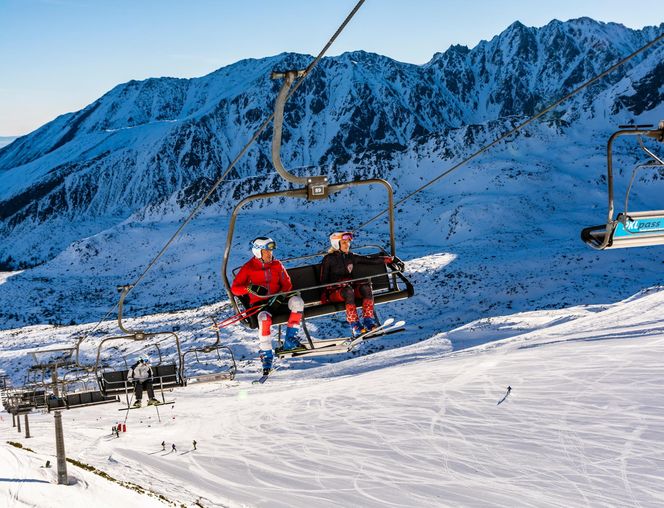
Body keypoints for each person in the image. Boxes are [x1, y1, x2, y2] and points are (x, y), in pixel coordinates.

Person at [231, 236, 305, 375]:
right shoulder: (248, 268)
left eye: (270, 251)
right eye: (266, 252)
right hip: (261, 304)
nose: (270, 254)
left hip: (279, 300)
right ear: (258, 252)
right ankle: (266, 354)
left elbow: (287, 284)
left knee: (297, 302)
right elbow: (235, 289)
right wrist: (249, 288)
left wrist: (280, 295)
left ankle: (290, 340)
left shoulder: (276, 265)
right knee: (264, 319)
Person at [320, 231, 393, 337]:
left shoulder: (351, 256)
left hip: (349, 289)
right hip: (334, 293)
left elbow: (369, 260)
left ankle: (368, 321)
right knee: (349, 291)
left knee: (366, 288)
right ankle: (355, 325)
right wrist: (325, 295)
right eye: (344, 242)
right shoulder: (329, 259)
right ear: (337, 244)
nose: (347, 245)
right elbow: (324, 279)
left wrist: (386, 260)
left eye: (348, 242)